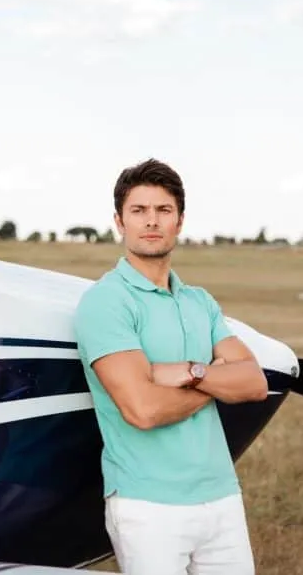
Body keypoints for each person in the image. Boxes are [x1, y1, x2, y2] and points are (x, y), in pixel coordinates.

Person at [73, 158, 269, 575]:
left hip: (220, 497)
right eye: (138, 211)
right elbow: (143, 410)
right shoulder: (106, 302)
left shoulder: (199, 301)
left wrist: (190, 371)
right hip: (148, 505)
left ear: (179, 222)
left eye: (163, 211)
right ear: (119, 221)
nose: (151, 221)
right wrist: (216, 380)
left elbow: (254, 382)